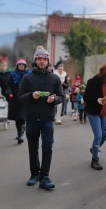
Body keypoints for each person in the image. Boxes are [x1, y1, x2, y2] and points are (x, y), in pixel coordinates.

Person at [18, 46, 65, 190]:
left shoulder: (54, 78)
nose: (42, 61)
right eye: (39, 58)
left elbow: (61, 96)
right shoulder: (27, 78)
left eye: (45, 58)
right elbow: (20, 97)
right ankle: (34, 174)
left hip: (47, 120)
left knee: (47, 147)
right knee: (33, 148)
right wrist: (31, 95)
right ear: (35, 60)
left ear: (48, 60)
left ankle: (45, 176)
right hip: (31, 119)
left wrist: (54, 99)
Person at [83, 63, 106, 170]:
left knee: (104, 135)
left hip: (105, 112)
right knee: (98, 136)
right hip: (94, 112)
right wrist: (96, 99)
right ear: (105, 75)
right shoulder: (92, 82)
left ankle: (94, 148)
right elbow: (86, 97)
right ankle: (95, 159)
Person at [6, 58, 31, 144]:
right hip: (15, 99)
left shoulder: (28, 75)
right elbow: (8, 86)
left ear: (25, 66)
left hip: (25, 98)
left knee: (22, 117)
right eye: (19, 65)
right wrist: (10, 92)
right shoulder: (12, 75)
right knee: (17, 118)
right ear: (17, 66)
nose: (21, 66)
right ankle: (18, 132)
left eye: (22, 65)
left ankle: (21, 135)